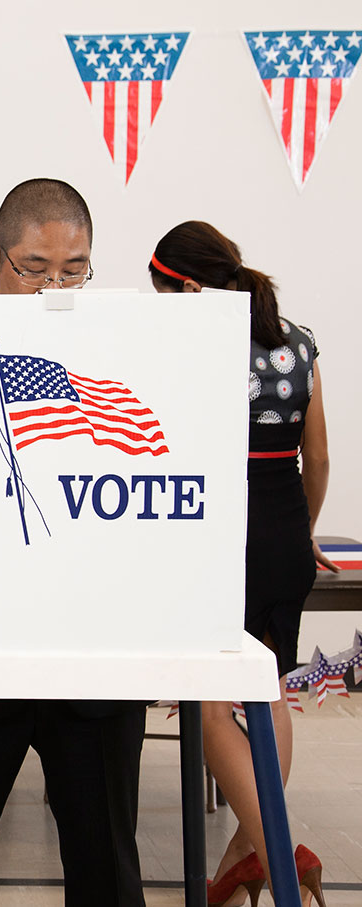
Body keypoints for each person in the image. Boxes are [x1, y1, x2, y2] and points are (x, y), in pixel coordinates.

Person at [0, 178, 148, 907]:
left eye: (73, 268)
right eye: (34, 268)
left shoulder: (123, 347)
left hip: (93, 661)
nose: (54, 285)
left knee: (105, 867)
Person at [150, 221, 334, 907]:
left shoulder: (192, 345)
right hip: (287, 525)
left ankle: (281, 856)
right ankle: (249, 856)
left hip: (223, 528)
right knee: (267, 688)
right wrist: (303, 530)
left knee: (205, 700)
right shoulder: (301, 342)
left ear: (188, 286)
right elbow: (317, 458)